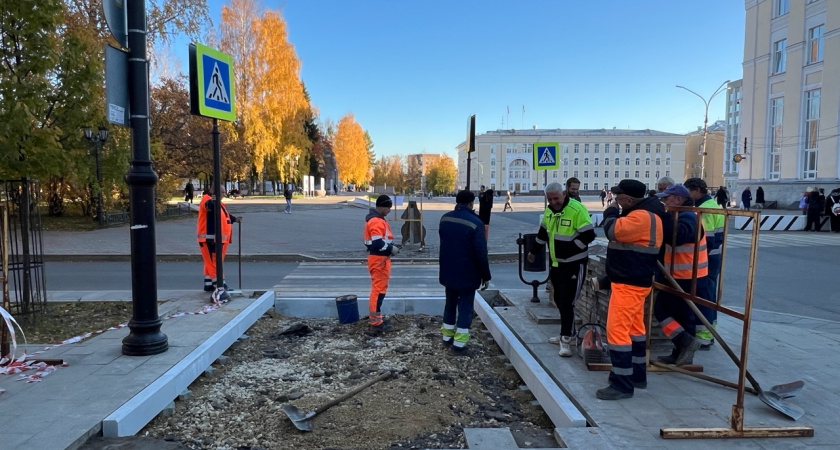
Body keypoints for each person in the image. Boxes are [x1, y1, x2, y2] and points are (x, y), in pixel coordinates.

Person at [595, 179, 663, 400]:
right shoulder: (648, 215)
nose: (615, 200)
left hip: (629, 284)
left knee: (617, 332)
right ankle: (637, 375)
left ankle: (622, 384)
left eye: (618, 197)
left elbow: (612, 231)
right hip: (635, 281)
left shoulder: (641, 217)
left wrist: (611, 212)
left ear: (629, 199)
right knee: (635, 331)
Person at [528, 182, 595, 357]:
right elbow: (543, 234)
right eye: (549, 199)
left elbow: (589, 235)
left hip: (574, 263)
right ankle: (569, 333)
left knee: (567, 301)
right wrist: (533, 251)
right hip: (557, 264)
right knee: (558, 298)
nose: (553, 202)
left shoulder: (577, 209)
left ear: (564, 194)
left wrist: (571, 249)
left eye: (556, 198)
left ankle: (566, 339)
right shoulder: (550, 211)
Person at [654, 184, 710, 367]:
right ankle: (680, 347)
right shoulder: (679, 215)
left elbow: (677, 237)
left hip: (688, 277)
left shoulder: (688, 217)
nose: (664, 202)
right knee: (668, 312)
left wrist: (663, 217)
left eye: (666, 198)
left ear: (678, 199)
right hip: (676, 275)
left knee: (683, 316)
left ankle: (685, 348)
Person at [438, 190, 492, 354]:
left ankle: (447, 338)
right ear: (471, 203)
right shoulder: (476, 223)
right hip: (468, 273)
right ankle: (459, 345)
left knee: (450, 304)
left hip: (448, 270)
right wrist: (486, 275)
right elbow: (481, 254)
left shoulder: (444, 218)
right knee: (465, 308)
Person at [683, 178, 724, 348]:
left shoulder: (703, 210)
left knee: (703, 296)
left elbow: (707, 239)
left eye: (688, 192)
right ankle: (710, 331)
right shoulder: (714, 206)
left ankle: (704, 335)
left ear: (695, 190)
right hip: (714, 258)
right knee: (709, 295)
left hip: (705, 259)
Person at [364, 195, 400, 331]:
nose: (389, 210)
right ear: (382, 206)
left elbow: (379, 241)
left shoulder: (376, 220)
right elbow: (377, 242)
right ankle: (376, 323)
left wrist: (391, 246)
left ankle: (377, 318)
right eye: (388, 208)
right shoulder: (376, 221)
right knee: (378, 291)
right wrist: (391, 248)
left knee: (379, 290)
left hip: (380, 259)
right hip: (379, 260)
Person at [197, 186, 239, 294]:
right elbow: (209, 206)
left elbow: (224, 215)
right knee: (215, 262)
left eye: (225, 192)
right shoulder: (207, 200)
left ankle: (209, 284)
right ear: (214, 192)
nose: (224, 194)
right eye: (222, 192)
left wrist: (234, 219)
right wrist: (214, 197)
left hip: (218, 239)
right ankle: (220, 286)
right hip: (210, 239)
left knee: (211, 262)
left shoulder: (218, 203)